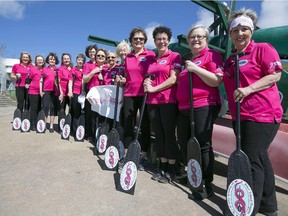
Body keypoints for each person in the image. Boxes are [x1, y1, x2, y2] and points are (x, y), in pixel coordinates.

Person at [223, 8, 283, 215]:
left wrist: (249, 88)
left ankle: (249, 209)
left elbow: (275, 75)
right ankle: (269, 206)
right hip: (241, 115)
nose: (240, 34)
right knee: (260, 158)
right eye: (235, 30)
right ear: (230, 34)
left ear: (252, 31)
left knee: (251, 161)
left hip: (263, 114)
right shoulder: (231, 59)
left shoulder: (263, 49)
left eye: (244, 29)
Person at [177, 25, 223, 199]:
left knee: (202, 145)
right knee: (185, 143)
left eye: (200, 36)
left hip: (203, 104)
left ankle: (206, 183)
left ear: (206, 39)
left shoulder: (212, 55)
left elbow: (216, 81)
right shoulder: (188, 59)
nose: (196, 39)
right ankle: (194, 176)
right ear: (188, 41)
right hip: (183, 108)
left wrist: (196, 69)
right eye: (192, 37)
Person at [143, 26, 182, 183]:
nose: (161, 41)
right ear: (155, 41)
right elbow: (148, 77)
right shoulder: (151, 60)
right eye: (158, 38)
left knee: (168, 134)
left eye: (164, 38)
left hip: (168, 101)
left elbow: (174, 79)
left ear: (168, 40)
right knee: (158, 134)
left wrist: (154, 88)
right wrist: (147, 82)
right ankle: (162, 166)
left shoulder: (174, 56)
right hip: (152, 102)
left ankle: (172, 170)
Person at [119, 27, 155, 171]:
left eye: (141, 38)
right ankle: (128, 155)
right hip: (129, 93)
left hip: (145, 94)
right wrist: (121, 79)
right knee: (128, 124)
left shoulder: (151, 55)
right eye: (136, 38)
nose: (138, 41)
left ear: (144, 40)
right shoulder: (127, 57)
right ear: (132, 41)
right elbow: (127, 76)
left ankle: (143, 157)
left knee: (145, 125)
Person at [83, 47, 108, 142]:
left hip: (104, 95)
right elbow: (85, 79)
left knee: (102, 116)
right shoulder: (89, 66)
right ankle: (91, 135)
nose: (100, 57)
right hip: (92, 94)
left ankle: (100, 136)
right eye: (98, 55)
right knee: (91, 115)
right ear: (95, 57)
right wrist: (94, 72)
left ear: (105, 57)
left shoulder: (108, 66)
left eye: (102, 55)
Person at [40, 52, 63, 133]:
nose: (52, 60)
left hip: (54, 91)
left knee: (52, 108)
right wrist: (40, 91)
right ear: (48, 60)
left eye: (53, 59)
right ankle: (44, 125)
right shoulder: (44, 69)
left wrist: (61, 93)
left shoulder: (58, 69)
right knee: (45, 107)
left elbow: (58, 82)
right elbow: (41, 81)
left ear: (55, 60)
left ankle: (51, 126)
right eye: (50, 59)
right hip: (46, 91)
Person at [27, 54, 45, 131]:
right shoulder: (32, 69)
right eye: (38, 60)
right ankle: (32, 124)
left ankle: (38, 123)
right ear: (36, 62)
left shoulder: (45, 69)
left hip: (43, 92)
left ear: (43, 61)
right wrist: (26, 84)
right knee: (34, 108)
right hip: (33, 92)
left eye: (41, 60)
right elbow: (28, 79)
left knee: (40, 108)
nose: (40, 61)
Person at [69, 53, 86, 136]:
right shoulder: (73, 70)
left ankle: (82, 129)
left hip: (84, 93)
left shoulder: (85, 69)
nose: (80, 61)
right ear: (76, 61)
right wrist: (70, 91)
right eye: (79, 60)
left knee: (83, 112)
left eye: (82, 60)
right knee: (76, 111)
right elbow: (70, 81)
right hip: (75, 92)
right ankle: (74, 129)